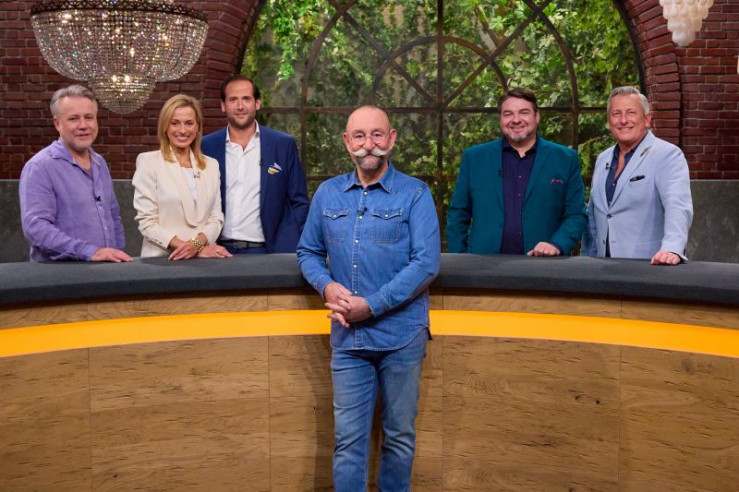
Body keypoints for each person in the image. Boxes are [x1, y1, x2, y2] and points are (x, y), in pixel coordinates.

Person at [296, 106, 440, 491]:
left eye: (377, 134)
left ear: (391, 139)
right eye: (359, 136)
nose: (368, 144)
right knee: (348, 443)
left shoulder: (415, 193)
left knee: (399, 438)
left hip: (402, 337)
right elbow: (308, 252)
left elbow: (426, 263)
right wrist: (326, 286)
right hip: (349, 341)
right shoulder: (328, 194)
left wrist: (371, 305)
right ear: (347, 142)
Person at [446, 88, 587, 256]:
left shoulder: (565, 159)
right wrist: (460, 258)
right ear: (500, 119)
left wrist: (557, 244)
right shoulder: (474, 158)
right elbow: (458, 214)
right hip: (483, 265)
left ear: (537, 116)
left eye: (524, 112)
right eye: (508, 114)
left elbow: (576, 214)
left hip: (545, 265)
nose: (516, 120)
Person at [19, 84, 132, 263]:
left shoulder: (100, 163)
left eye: (89, 117)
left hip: (106, 271)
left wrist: (117, 255)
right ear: (57, 123)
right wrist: (90, 252)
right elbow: (36, 229)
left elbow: (113, 216)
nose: (83, 126)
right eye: (73, 119)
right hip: (61, 275)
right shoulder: (40, 167)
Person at [582, 86, 693, 264]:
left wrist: (672, 249)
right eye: (616, 114)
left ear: (647, 119)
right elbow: (595, 216)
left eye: (631, 113)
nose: (623, 120)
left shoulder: (667, 154)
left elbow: (677, 206)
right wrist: (588, 258)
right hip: (603, 268)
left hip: (650, 266)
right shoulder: (602, 159)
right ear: (609, 121)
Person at [201, 74, 309, 254]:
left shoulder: (282, 144)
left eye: (246, 99)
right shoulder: (206, 146)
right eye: (233, 100)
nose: (240, 106)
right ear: (223, 105)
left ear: (257, 103)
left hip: (270, 252)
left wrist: (292, 244)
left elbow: (299, 201)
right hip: (217, 251)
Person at [132, 94, 231, 260]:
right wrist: (191, 249)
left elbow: (216, 218)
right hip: (162, 260)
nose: (183, 130)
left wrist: (196, 245)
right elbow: (147, 222)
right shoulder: (149, 162)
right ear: (165, 126)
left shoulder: (211, 165)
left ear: (197, 126)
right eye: (175, 123)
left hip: (204, 263)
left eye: (189, 123)